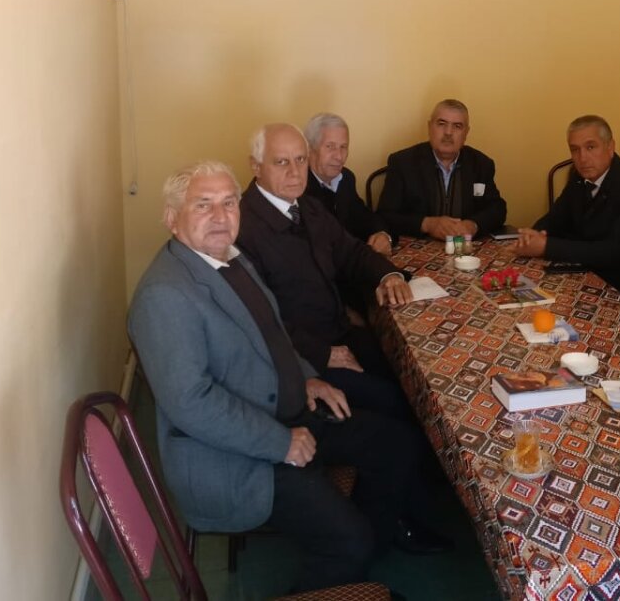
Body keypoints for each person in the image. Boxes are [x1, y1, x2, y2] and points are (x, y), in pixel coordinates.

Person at [128, 162, 450, 594]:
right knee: (349, 541)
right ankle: (347, 554)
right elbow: (192, 403)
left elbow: (273, 334)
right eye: (203, 205)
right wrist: (280, 442)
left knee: (397, 444)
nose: (221, 216)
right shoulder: (165, 294)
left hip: (285, 407)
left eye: (229, 203)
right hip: (235, 454)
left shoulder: (230, 257)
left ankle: (360, 556)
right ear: (172, 218)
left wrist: (307, 377)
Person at [238, 123, 414, 419]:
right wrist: (322, 354)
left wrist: (389, 275)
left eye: (300, 159)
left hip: (340, 332)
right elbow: (256, 318)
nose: (295, 172)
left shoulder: (308, 207)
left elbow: (352, 252)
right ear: (256, 166)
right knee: (402, 405)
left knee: (410, 371)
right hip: (304, 357)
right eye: (281, 162)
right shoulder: (242, 228)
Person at [515, 115, 620, 301]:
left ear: (610, 147)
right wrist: (533, 235)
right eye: (575, 150)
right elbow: (556, 217)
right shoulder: (579, 176)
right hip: (584, 272)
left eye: (591, 147)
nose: (582, 158)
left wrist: (546, 246)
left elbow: (612, 252)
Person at [378, 99, 507, 239]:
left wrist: (473, 225)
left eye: (457, 126)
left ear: (466, 133)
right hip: (419, 245)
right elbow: (385, 215)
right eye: (441, 124)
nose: (448, 132)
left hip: (463, 246)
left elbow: (497, 209)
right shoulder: (403, 162)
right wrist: (427, 224)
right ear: (429, 127)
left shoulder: (481, 164)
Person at [305, 112, 392, 255]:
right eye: (330, 146)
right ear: (309, 149)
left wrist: (382, 234)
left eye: (343, 147)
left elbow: (364, 217)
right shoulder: (297, 187)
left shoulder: (346, 177)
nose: (339, 156)